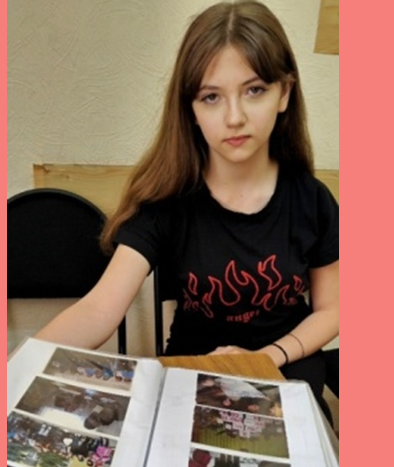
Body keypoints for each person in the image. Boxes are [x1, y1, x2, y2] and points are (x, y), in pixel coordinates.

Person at [34, 0, 338, 421]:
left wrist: (265, 357)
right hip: (192, 378)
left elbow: (333, 309)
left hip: (286, 371)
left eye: (254, 90)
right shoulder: (166, 201)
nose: (234, 117)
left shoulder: (312, 200)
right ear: (191, 109)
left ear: (284, 93)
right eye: (211, 97)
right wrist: (18, 369)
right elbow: (99, 309)